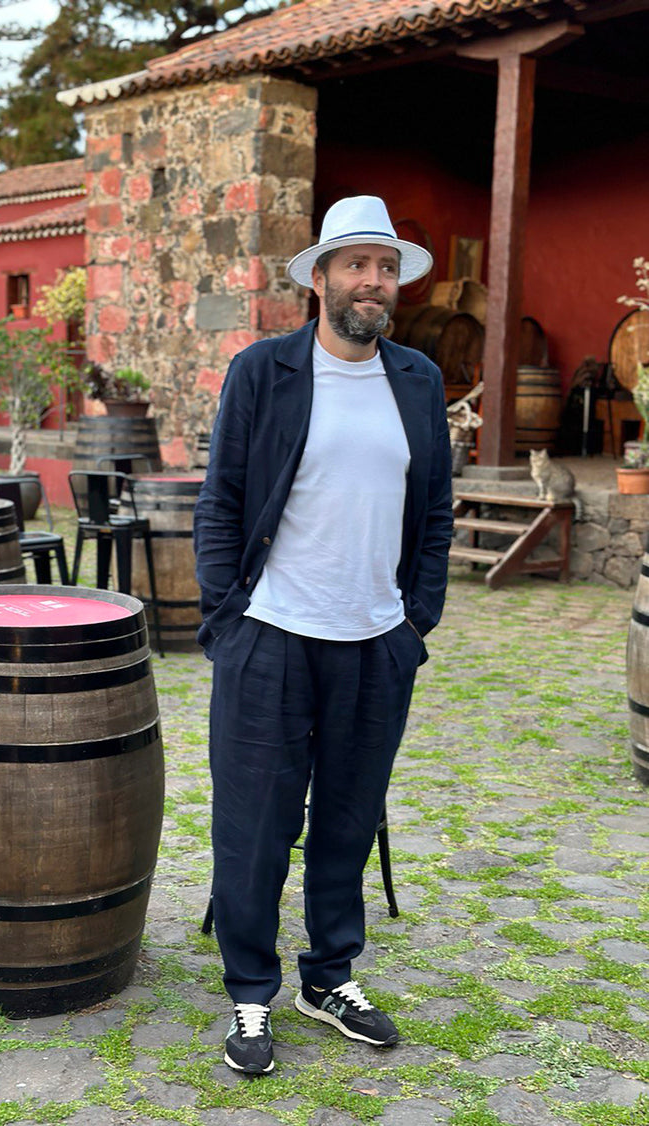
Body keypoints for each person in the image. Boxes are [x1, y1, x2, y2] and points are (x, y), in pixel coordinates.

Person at [193, 195, 453, 1076]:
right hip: (270, 633)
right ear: (321, 279)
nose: (372, 281)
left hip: (376, 639)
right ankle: (250, 992)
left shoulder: (418, 380)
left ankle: (329, 977)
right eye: (355, 264)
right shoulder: (263, 371)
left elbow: (436, 510)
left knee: (347, 819)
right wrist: (228, 622)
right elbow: (221, 502)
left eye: (385, 266)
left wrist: (416, 620)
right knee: (256, 822)